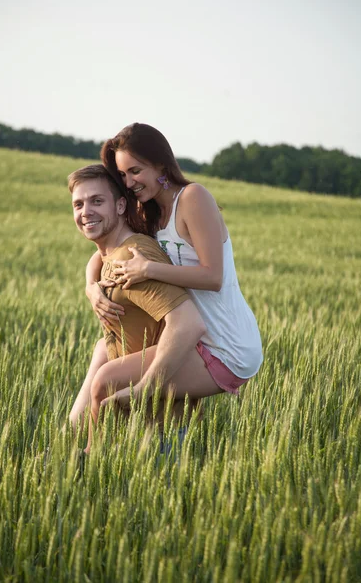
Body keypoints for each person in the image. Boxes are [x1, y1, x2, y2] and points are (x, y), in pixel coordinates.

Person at [85, 123, 263, 410]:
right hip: (190, 338)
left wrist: (148, 270)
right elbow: (105, 253)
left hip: (227, 344)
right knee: (103, 353)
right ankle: (81, 441)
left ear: (160, 165)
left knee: (108, 381)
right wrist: (91, 287)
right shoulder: (149, 211)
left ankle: (100, 447)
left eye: (135, 171)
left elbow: (213, 276)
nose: (129, 183)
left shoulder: (193, 198)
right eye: (122, 175)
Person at [69, 164, 222, 454]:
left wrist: (146, 389)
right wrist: (90, 285)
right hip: (132, 426)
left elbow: (188, 324)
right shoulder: (109, 256)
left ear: (121, 205)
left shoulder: (133, 257)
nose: (85, 211)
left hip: (160, 431)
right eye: (78, 204)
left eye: (97, 201)